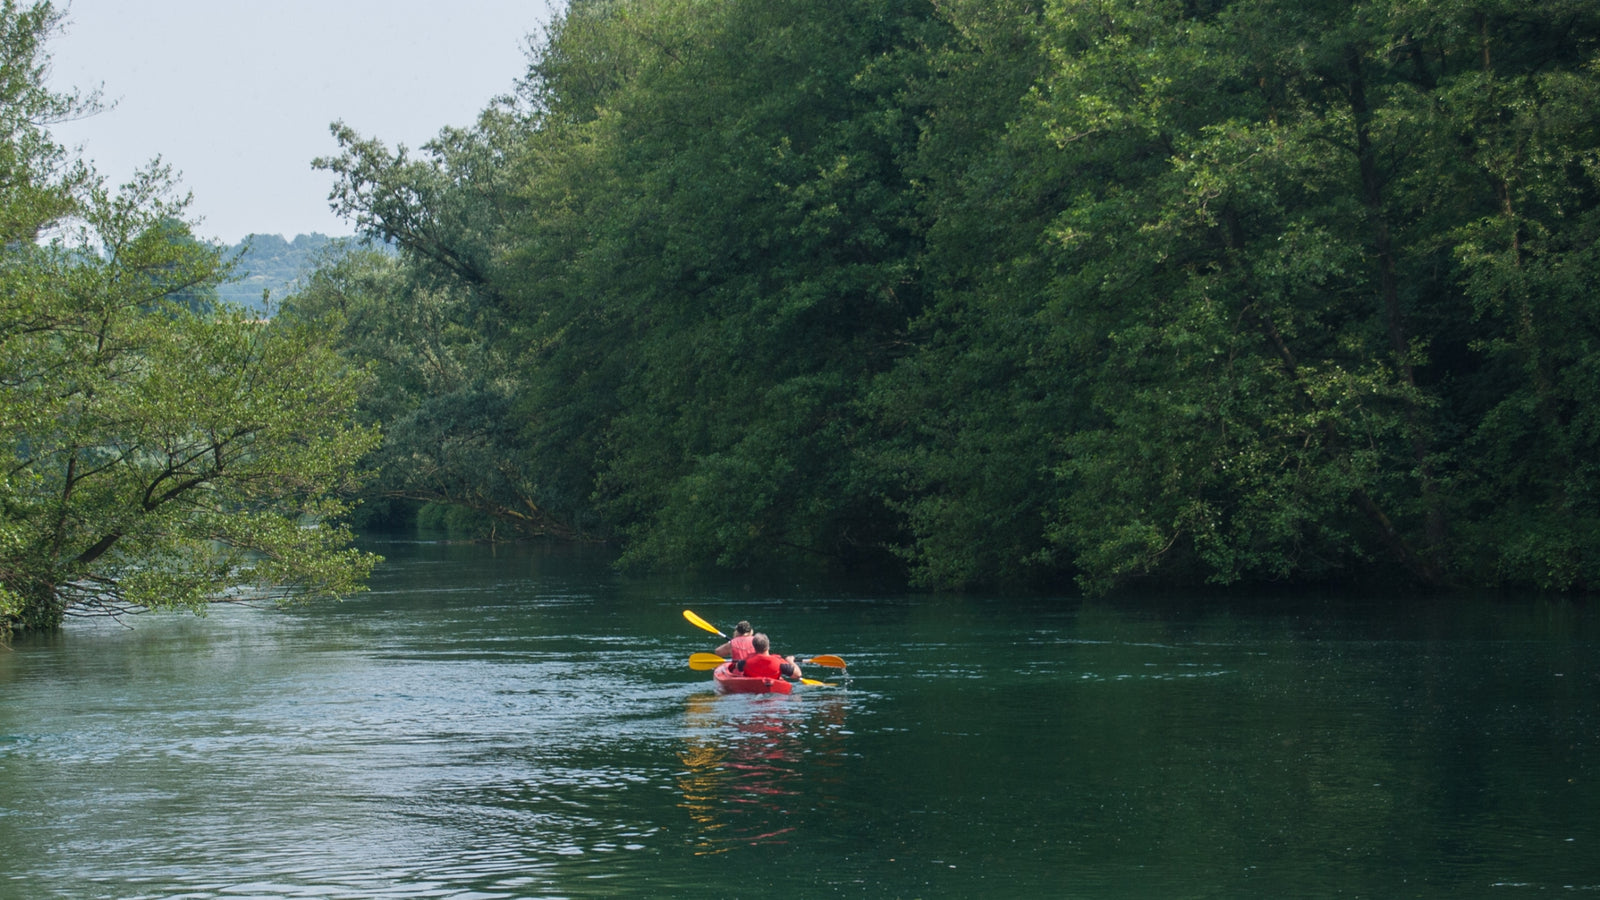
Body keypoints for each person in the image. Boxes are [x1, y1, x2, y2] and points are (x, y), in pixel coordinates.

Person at [737, 633, 803, 681]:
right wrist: (790, 661)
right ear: (768, 646)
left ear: (754, 647)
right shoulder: (779, 662)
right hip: (774, 693)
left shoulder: (745, 661)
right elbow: (798, 675)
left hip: (752, 690)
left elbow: (737, 667)